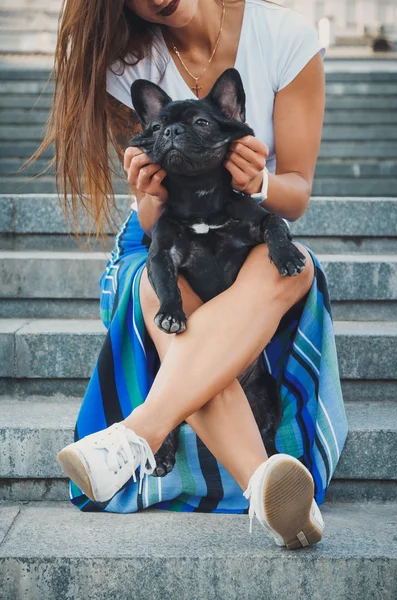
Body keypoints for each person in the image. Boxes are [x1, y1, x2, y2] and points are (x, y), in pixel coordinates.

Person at [32, 0, 349, 550]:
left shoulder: (284, 37)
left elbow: (294, 191)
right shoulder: (126, 62)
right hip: (163, 239)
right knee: (167, 296)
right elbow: (157, 225)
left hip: (244, 230)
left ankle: (135, 436)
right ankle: (268, 487)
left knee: (289, 270)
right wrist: (146, 194)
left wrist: (261, 183)